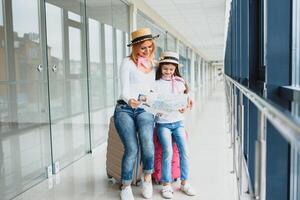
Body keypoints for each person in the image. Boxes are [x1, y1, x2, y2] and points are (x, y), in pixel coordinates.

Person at [113, 27, 159, 200]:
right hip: (125, 108)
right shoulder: (127, 62)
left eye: (150, 47)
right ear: (135, 47)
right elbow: (124, 90)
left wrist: (187, 95)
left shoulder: (154, 65)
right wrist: (129, 99)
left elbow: (170, 81)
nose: (147, 51)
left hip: (145, 109)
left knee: (147, 142)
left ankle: (146, 178)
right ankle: (125, 186)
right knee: (131, 148)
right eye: (143, 48)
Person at [154, 51, 196, 199]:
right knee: (168, 152)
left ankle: (185, 182)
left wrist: (185, 105)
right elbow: (153, 103)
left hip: (178, 122)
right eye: (165, 68)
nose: (168, 71)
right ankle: (166, 184)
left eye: (171, 69)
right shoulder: (156, 83)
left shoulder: (180, 82)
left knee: (184, 151)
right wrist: (159, 107)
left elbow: (187, 99)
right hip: (163, 123)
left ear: (175, 68)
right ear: (161, 67)